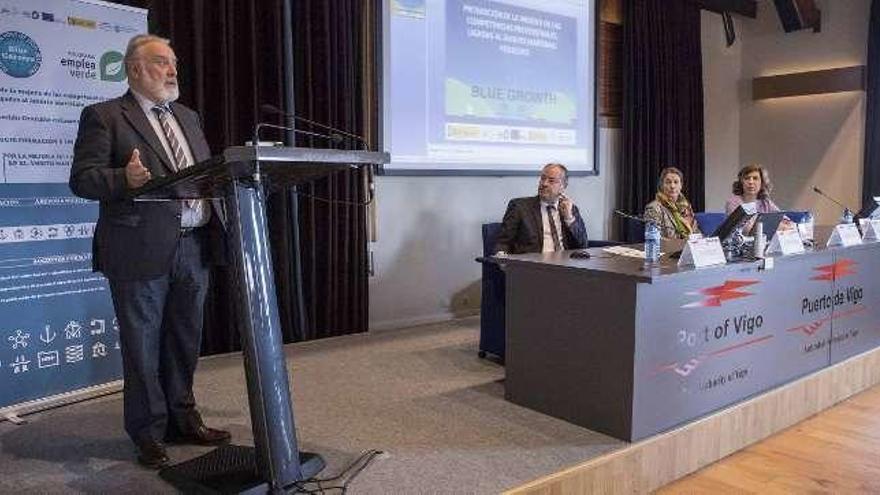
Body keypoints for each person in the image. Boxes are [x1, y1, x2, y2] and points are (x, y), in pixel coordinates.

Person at [69, 34, 230, 469]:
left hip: (195, 245)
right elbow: (82, 179)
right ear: (135, 68)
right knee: (142, 346)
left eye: (174, 62)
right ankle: (147, 432)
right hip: (137, 248)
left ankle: (183, 418)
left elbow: (205, 174)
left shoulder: (189, 117)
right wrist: (126, 179)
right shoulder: (104, 116)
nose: (173, 70)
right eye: (162, 62)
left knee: (183, 340)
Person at [493, 163, 588, 255]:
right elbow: (503, 243)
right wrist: (503, 261)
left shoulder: (570, 209)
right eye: (543, 178)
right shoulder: (519, 207)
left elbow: (583, 245)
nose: (544, 183)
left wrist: (569, 218)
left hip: (565, 266)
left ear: (563, 187)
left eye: (551, 180)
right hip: (533, 266)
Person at [643, 166, 700, 239]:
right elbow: (654, 237)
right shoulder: (653, 208)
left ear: (681, 186)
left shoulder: (686, 207)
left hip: (688, 248)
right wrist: (681, 244)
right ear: (662, 186)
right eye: (668, 182)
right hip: (668, 250)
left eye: (676, 182)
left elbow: (696, 232)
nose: (672, 186)